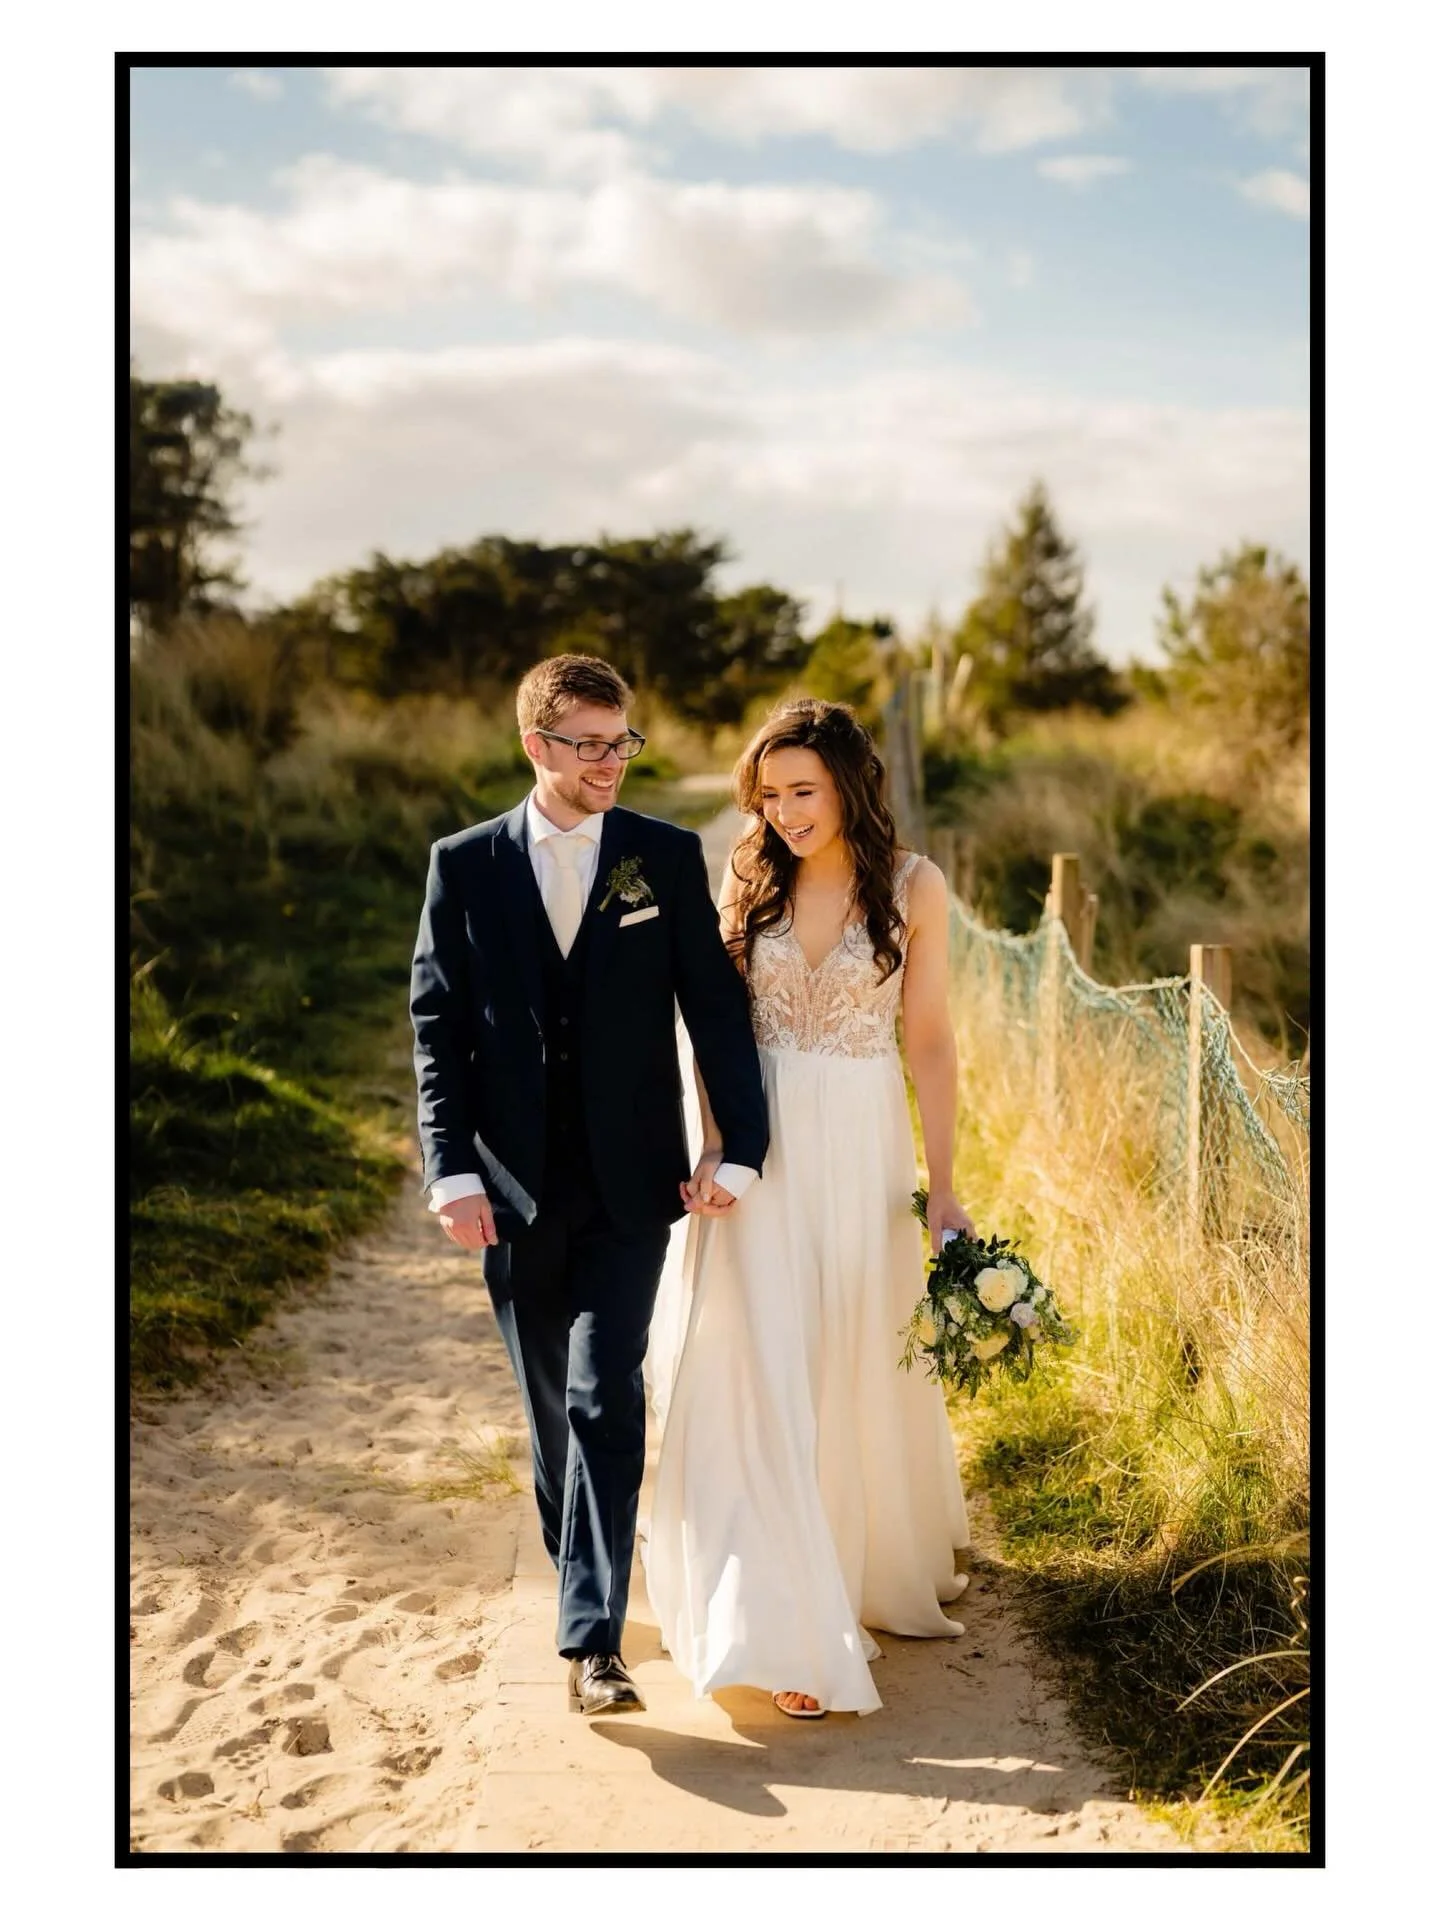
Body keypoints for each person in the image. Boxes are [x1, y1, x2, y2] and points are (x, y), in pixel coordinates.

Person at [409, 654, 768, 1717]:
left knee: (606, 1392)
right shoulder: (463, 865)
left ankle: (592, 1643)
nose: (610, 762)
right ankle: (589, 1584)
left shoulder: (662, 855)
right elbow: (437, 1032)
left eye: (622, 742)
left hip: (631, 1183)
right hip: (511, 1190)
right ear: (537, 746)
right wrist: (451, 1170)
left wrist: (736, 1144)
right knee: (550, 1416)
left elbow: (714, 1007)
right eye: (588, 744)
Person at [645, 698, 975, 1718]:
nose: (784, 812)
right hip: (762, 1153)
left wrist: (946, 1188)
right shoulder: (747, 881)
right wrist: (715, 1147)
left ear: (849, 786)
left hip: (865, 1151)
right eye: (769, 794)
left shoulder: (916, 888)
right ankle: (777, 1616)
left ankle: (855, 1568)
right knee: (759, 1362)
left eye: (803, 790)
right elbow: (708, 1029)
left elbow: (929, 1045)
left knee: (846, 1353)